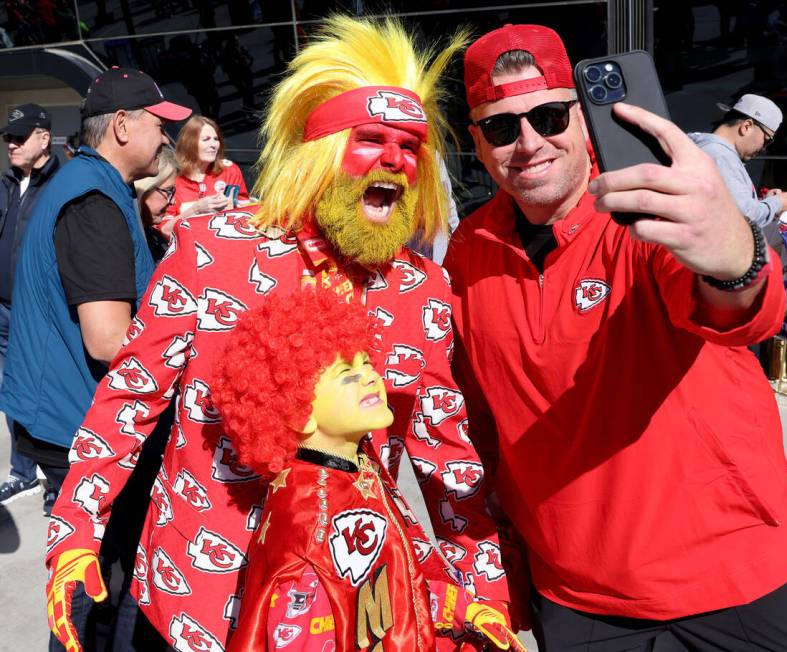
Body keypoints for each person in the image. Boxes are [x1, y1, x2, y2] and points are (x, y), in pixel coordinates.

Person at [45, 16, 512, 652]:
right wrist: (74, 530)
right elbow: (128, 400)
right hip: (200, 605)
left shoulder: (421, 292)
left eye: (411, 147)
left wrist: (482, 591)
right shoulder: (213, 253)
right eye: (372, 139)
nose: (396, 162)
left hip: (344, 611)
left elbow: (446, 460)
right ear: (319, 153)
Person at [445, 24, 787, 650]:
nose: (528, 143)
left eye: (549, 116)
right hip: (580, 602)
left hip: (742, 578)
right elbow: (474, 422)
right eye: (501, 127)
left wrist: (733, 253)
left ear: (584, 118)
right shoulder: (468, 253)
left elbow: (743, 308)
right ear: (477, 140)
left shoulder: (648, 208)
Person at [213, 289, 523, 651]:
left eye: (367, 364)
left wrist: (465, 612)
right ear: (299, 410)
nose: (370, 378)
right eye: (347, 373)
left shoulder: (352, 473)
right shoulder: (313, 521)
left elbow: (388, 593)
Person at [0, 67, 191, 650]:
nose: (166, 140)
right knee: (90, 596)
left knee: (99, 590)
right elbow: (109, 340)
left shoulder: (86, 184)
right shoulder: (93, 200)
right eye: (160, 127)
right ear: (125, 125)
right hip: (76, 429)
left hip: (64, 418)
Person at [0, 103, 61, 507]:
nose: (12, 145)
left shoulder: (60, 183)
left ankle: (57, 481)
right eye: (9, 138)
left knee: (47, 393)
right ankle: (22, 472)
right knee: (13, 393)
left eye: (20, 137)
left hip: (40, 308)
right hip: (5, 309)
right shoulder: (7, 185)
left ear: (43, 138)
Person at [689, 94, 787, 228]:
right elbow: (744, 217)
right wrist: (777, 204)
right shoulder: (720, 156)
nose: (764, 148)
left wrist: (764, 202)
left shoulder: (712, 151)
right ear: (747, 126)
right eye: (767, 139)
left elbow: (731, 206)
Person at [167, 115, 248, 221]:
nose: (213, 145)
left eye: (216, 139)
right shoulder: (171, 177)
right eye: (206, 139)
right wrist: (196, 209)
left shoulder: (229, 170)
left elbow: (246, 209)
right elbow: (164, 228)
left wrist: (234, 208)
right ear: (189, 143)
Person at [134, 147, 180, 260]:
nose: (173, 201)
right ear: (146, 187)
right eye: (169, 191)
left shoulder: (156, 240)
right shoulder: (122, 238)